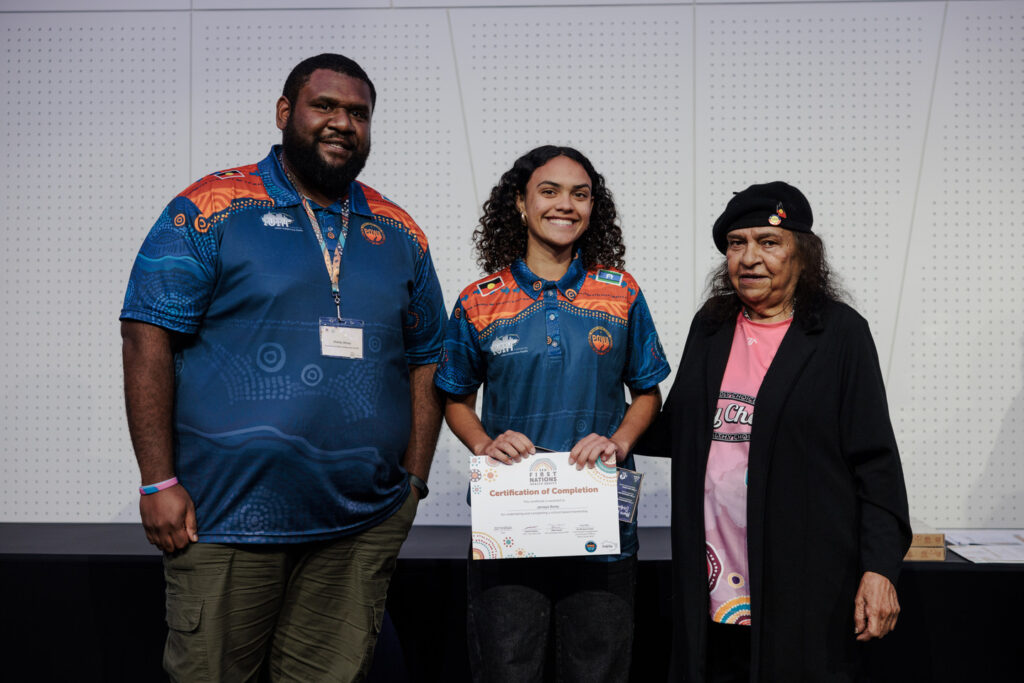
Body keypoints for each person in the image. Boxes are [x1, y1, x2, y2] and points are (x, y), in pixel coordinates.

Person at [120, 53, 446, 682]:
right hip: (222, 519)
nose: (342, 123)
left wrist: (413, 483)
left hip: (358, 526)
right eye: (325, 106)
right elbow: (145, 335)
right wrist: (157, 481)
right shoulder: (211, 205)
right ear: (284, 112)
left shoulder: (398, 229)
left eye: (358, 113)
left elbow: (430, 354)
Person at [638, 181, 912, 682]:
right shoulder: (712, 325)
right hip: (712, 581)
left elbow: (875, 463)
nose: (749, 258)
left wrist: (880, 569)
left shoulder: (839, 333)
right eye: (736, 244)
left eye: (768, 242)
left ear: (802, 254)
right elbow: (680, 430)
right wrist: (596, 410)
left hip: (804, 583)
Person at [435, 145, 671, 682]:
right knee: (506, 671)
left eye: (580, 194)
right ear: (520, 204)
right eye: (549, 191)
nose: (566, 204)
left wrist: (619, 442)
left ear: (592, 209)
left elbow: (648, 393)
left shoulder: (621, 293)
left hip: (602, 522)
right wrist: (483, 444)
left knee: (598, 671)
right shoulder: (478, 300)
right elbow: (455, 399)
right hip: (508, 523)